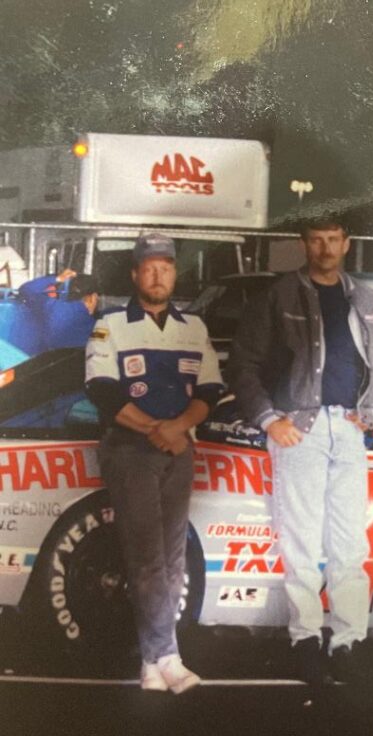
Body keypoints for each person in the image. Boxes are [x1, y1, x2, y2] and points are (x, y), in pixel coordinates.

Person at [228, 217, 373, 687]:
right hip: (298, 426)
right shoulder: (278, 295)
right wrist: (269, 418)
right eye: (316, 240)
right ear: (305, 244)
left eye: (333, 240)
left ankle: (348, 643)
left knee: (349, 543)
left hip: (347, 429)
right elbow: (243, 363)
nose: (325, 248)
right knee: (301, 539)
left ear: (346, 244)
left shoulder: (366, 298)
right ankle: (305, 640)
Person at [84, 233, 223, 693]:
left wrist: (178, 427)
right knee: (146, 559)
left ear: (175, 273)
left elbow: (208, 393)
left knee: (172, 561)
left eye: (166, 266)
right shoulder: (110, 325)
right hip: (131, 450)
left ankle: (156, 658)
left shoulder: (193, 327)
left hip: (178, 450)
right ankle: (163, 656)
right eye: (149, 267)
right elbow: (104, 393)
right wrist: (156, 430)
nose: (158, 274)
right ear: (135, 274)